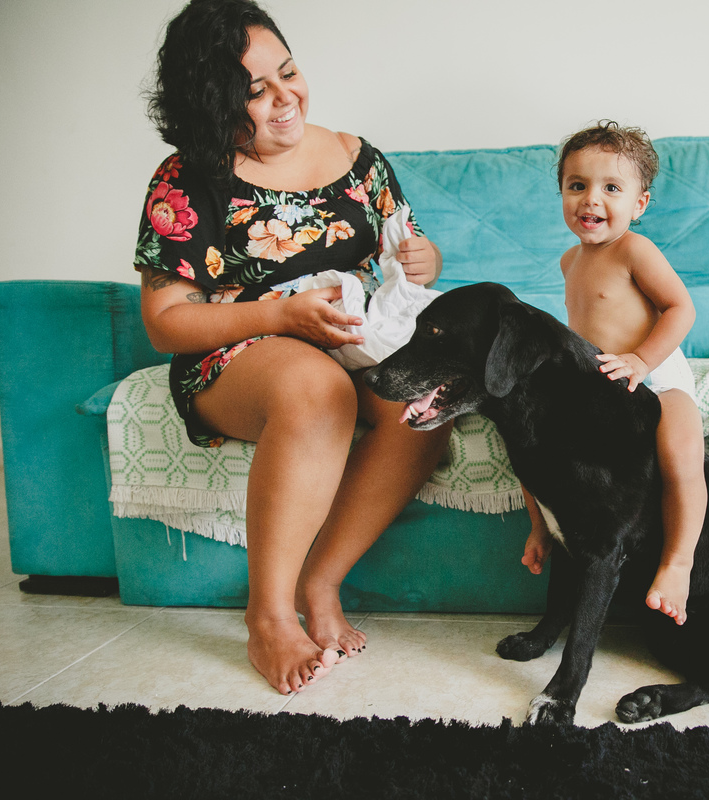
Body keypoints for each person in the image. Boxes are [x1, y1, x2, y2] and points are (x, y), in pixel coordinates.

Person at [136, 0, 452, 695]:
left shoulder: (357, 157)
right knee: (318, 390)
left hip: (351, 338)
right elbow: (165, 321)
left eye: (288, 73)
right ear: (215, 104)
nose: (286, 99)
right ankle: (268, 617)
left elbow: (403, 254)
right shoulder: (187, 180)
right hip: (239, 355)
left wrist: (422, 259)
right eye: (256, 92)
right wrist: (279, 317)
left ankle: (323, 582)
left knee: (423, 403)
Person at [521, 121, 707, 626]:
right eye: (577, 186)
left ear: (639, 204)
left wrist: (643, 361)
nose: (591, 200)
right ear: (561, 192)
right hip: (601, 383)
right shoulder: (569, 260)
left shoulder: (635, 251)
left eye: (611, 188)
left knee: (680, 448)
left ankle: (678, 562)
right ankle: (542, 529)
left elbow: (680, 309)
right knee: (533, 439)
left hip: (655, 373)